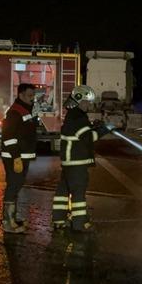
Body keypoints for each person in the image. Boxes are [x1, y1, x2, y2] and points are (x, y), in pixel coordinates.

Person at [53, 86, 112, 233]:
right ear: (79, 100)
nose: (89, 105)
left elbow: (80, 133)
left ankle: (59, 220)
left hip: (68, 162)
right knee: (78, 193)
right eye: (86, 102)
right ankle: (79, 224)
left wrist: (93, 126)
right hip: (77, 163)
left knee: (63, 192)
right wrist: (104, 129)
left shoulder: (72, 115)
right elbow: (88, 138)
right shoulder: (79, 116)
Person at [1, 83, 38, 233]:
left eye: (33, 95)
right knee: (13, 186)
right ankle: (8, 222)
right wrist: (16, 157)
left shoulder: (24, 110)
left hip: (21, 156)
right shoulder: (15, 112)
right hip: (15, 157)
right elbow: (8, 137)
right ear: (20, 95)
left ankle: (12, 218)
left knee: (16, 186)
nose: (32, 98)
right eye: (30, 95)